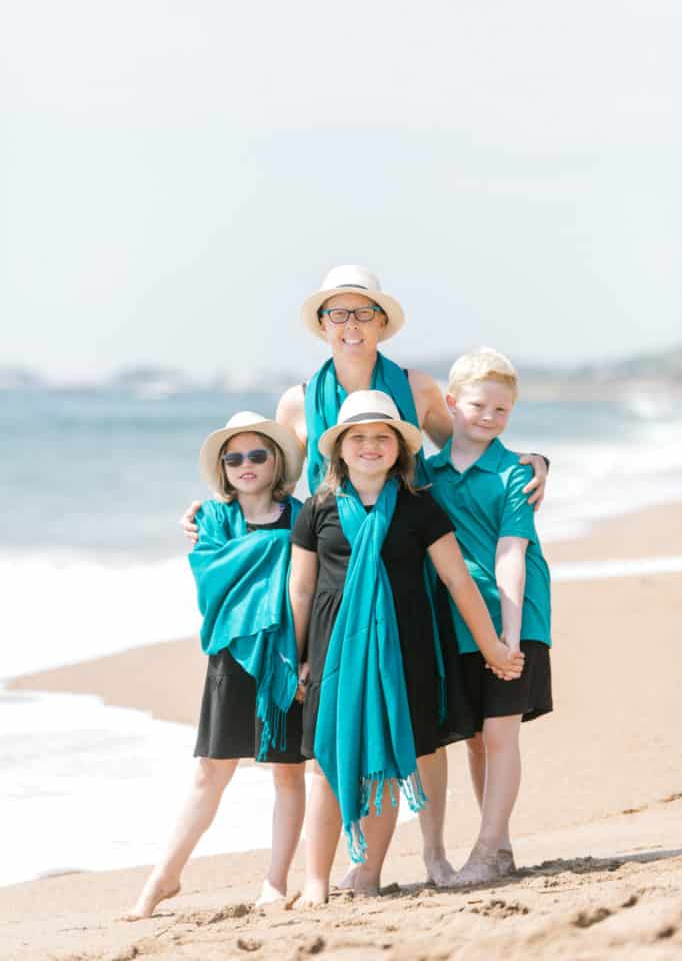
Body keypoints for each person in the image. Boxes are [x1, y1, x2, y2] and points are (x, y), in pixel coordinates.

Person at [181, 264, 549, 887]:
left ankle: (478, 847)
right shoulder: (298, 400)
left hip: (421, 567)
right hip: (345, 585)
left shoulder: (417, 385)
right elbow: (280, 488)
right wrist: (212, 507)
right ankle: (391, 859)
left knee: (447, 722)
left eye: (363, 313)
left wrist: (537, 459)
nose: (350, 326)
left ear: (382, 321)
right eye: (337, 314)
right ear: (323, 324)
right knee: (373, 720)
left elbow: (463, 447)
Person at [288, 390, 525, 905]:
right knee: (327, 766)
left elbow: (458, 581)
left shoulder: (420, 507)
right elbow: (301, 589)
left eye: (382, 437)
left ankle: (368, 874)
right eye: (359, 438)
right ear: (339, 450)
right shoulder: (317, 509)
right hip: (333, 655)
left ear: (399, 449)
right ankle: (315, 881)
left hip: (406, 651)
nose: (370, 446)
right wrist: (299, 655)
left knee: (390, 765)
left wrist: (492, 646)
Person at [124, 412, 306, 920]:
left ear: (277, 461)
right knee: (210, 772)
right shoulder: (212, 520)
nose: (246, 465)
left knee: (287, 774)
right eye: (234, 458)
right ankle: (164, 878)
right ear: (223, 469)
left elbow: (315, 581)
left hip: (286, 655)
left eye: (257, 455)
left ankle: (275, 882)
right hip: (231, 653)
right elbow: (211, 576)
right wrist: (273, 545)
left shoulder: (304, 515)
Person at [425, 349, 552, 885]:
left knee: (501, 736)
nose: (489, 417)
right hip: (456, 618)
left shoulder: (513, 473)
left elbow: (511, 555)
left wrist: (508, 633)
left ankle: (485, 850)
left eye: (502, 411)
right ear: (452, 403)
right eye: (479, 405)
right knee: (477, 736)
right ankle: (497, 848)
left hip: (515, 613)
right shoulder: (424, 475)